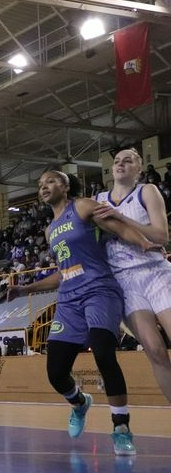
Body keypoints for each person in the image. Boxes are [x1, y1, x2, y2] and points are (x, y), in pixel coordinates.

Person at [7, 169, 162, 457]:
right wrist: (26, 289)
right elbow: (63, 272)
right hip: (69, 301)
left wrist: (143, 242)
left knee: (103, 353)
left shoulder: (84, 206)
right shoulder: (50, 230)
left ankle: (121, 427)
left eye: (51, 181)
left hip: (100, 290)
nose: (44, 187)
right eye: (40, 184)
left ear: (66, 186)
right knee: (55, 373)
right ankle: (80, 402)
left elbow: (118, 227)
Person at [94, 148, 171, 402]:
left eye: (128, 160)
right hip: (124, 281)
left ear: (139, 169)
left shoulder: (147, 191)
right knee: (154, 350)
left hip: (155, 271)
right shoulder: (98, 199)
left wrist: (119, 218)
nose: (121, 164)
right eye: (117, 161)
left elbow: (161, 236)